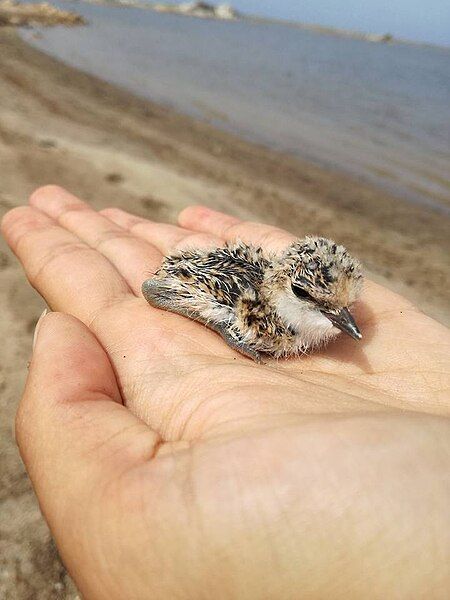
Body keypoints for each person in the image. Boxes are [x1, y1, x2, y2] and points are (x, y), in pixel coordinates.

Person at [1, 185, 449, 599]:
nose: (344, 320)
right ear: (285, 289)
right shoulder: (265, 323)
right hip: (200, 284)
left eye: (345, 306)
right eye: (316, 302)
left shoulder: (310, 314)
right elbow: (154, 289)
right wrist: (224, 325)